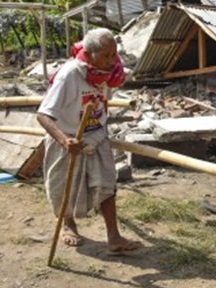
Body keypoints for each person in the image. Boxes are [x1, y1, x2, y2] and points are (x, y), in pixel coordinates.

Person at [37, 28, 142, 254]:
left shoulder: (109, 72)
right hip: (66, 135)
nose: (112, 60)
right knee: (64, 185)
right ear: (90, 53)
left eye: (114, 54)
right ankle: (68, 224)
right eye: (106, 55)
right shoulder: (70, 75)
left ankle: (114, 237)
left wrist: (100, 123)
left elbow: (103, 101)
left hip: (95, 134)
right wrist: (65, 140)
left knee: (107, 184)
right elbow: (43, 115)